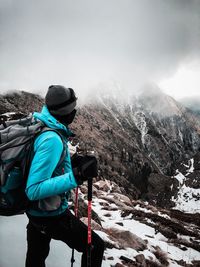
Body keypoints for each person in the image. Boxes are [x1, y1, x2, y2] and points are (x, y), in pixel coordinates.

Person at [25, 85, 104, 267]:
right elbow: (33, 189)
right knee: (95, 246)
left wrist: (72, 161)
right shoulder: (52, 139)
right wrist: (76, 176)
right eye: (72, 109)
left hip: (35, 212)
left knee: (36, 258)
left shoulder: (41, 122)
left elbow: (41, 163)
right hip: (49, 214)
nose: (74, 112)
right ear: (65, 112)